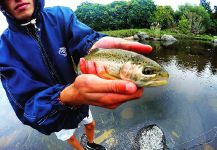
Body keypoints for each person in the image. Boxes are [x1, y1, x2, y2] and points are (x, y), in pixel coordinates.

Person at [0, 0, 152, 150]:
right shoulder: (4, 50)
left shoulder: (61, 16)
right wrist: (65, 97)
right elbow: (28, 110)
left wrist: (95, 45)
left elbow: (85, 39)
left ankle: (90, 144)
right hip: (55, 117)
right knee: (70, 137)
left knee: (91, 124)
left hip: (82, 100)